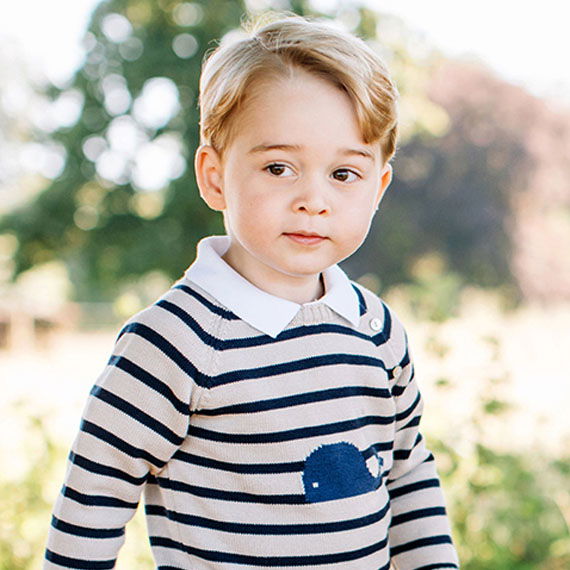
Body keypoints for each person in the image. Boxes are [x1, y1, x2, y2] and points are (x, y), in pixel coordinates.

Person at [44, 14, 459, 570]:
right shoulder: (174, 342)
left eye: (343, 174)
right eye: (279, 167)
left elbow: (407, 472)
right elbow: (94, 494)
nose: (314, 200)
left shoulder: (377, 331)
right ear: (215, 176)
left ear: (378, 186)